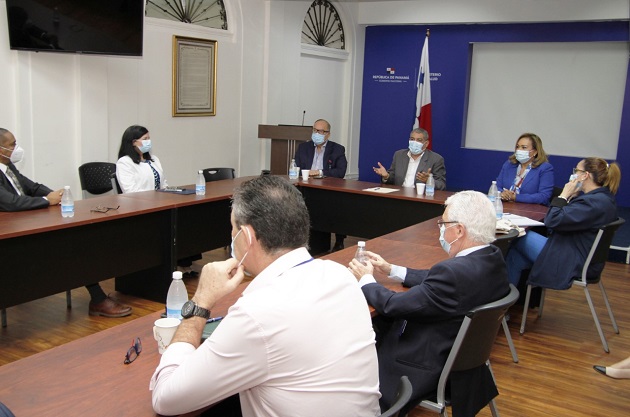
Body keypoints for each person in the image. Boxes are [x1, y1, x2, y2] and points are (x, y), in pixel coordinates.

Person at [150, 175, 380, 417]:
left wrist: (201, 301)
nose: (231, 236)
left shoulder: (257, 314)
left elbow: (166, 398)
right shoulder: (340, 275)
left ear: (247, 237)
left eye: (233, 228)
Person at [348, 190, 509, 414]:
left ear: (460, 230)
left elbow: (393, 305)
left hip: (422, 362)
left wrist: (365, 279)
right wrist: (393, 270)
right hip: (463, 361)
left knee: (363, 333)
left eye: (444, 224)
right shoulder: (491, 257)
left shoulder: (453, 273)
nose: (441, 230)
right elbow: (441, 284)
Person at [0, 128, 132, 317]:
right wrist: (47, 201)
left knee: (75, 243)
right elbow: (11, 202)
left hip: (26, 222)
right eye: (12, 144)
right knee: (72, 249)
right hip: (11, 234)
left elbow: (32, 186)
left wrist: (55, 195)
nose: (16, 148)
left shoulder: (9, 167)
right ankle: (98, 299)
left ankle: (98, 299)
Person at [505, 157, 620, 287]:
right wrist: (572, 197)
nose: (574, 174)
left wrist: (564, 195)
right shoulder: (602, 199)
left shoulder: (592, 203)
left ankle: (497, 298)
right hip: (578, 255)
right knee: (515, 256)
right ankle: (506, 301)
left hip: (571, 260)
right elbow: (567, 219)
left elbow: (552, 221)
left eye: (576, 170)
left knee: (518, 235)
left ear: (585, 175)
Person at [294, 118, 348, 251]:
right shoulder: (303, 147)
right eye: (315, 130)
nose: (317, 134)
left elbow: (340, 172)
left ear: (328, 134)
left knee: (338, 205)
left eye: (321, 131)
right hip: (306, 187)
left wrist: (319, 172)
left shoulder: (337, 149)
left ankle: (339, 241)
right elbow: (296, 168)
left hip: (327, 188)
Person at [373, 127, 446, 190]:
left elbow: (442, 185)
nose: (415, 142)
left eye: (419, 140)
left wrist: (428, 180)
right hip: (399, 196)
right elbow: (393, 179)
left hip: (420, 199)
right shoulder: (399, 155)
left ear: (426, 143)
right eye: (412, 139)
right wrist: (386, 176)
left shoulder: (436, 159)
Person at [496, 133, 554, 205]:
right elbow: (496, 187)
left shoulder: (545, 168)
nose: (519, 150)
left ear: (535, 152)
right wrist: (502, 194)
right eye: (517, 147)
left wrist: (516, 197)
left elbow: (544, 196)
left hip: (530, 211)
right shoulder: (509, 165)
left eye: (524, 147)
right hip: (505, 208)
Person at [116, 125, 166, 193]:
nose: (148, 141)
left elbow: (163, 185)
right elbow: (130, 190)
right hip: (138, 201)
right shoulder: (124, 162)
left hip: (160, 201)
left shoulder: (154, 159)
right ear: (134, 142)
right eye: (145, 139)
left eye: (149, 138)